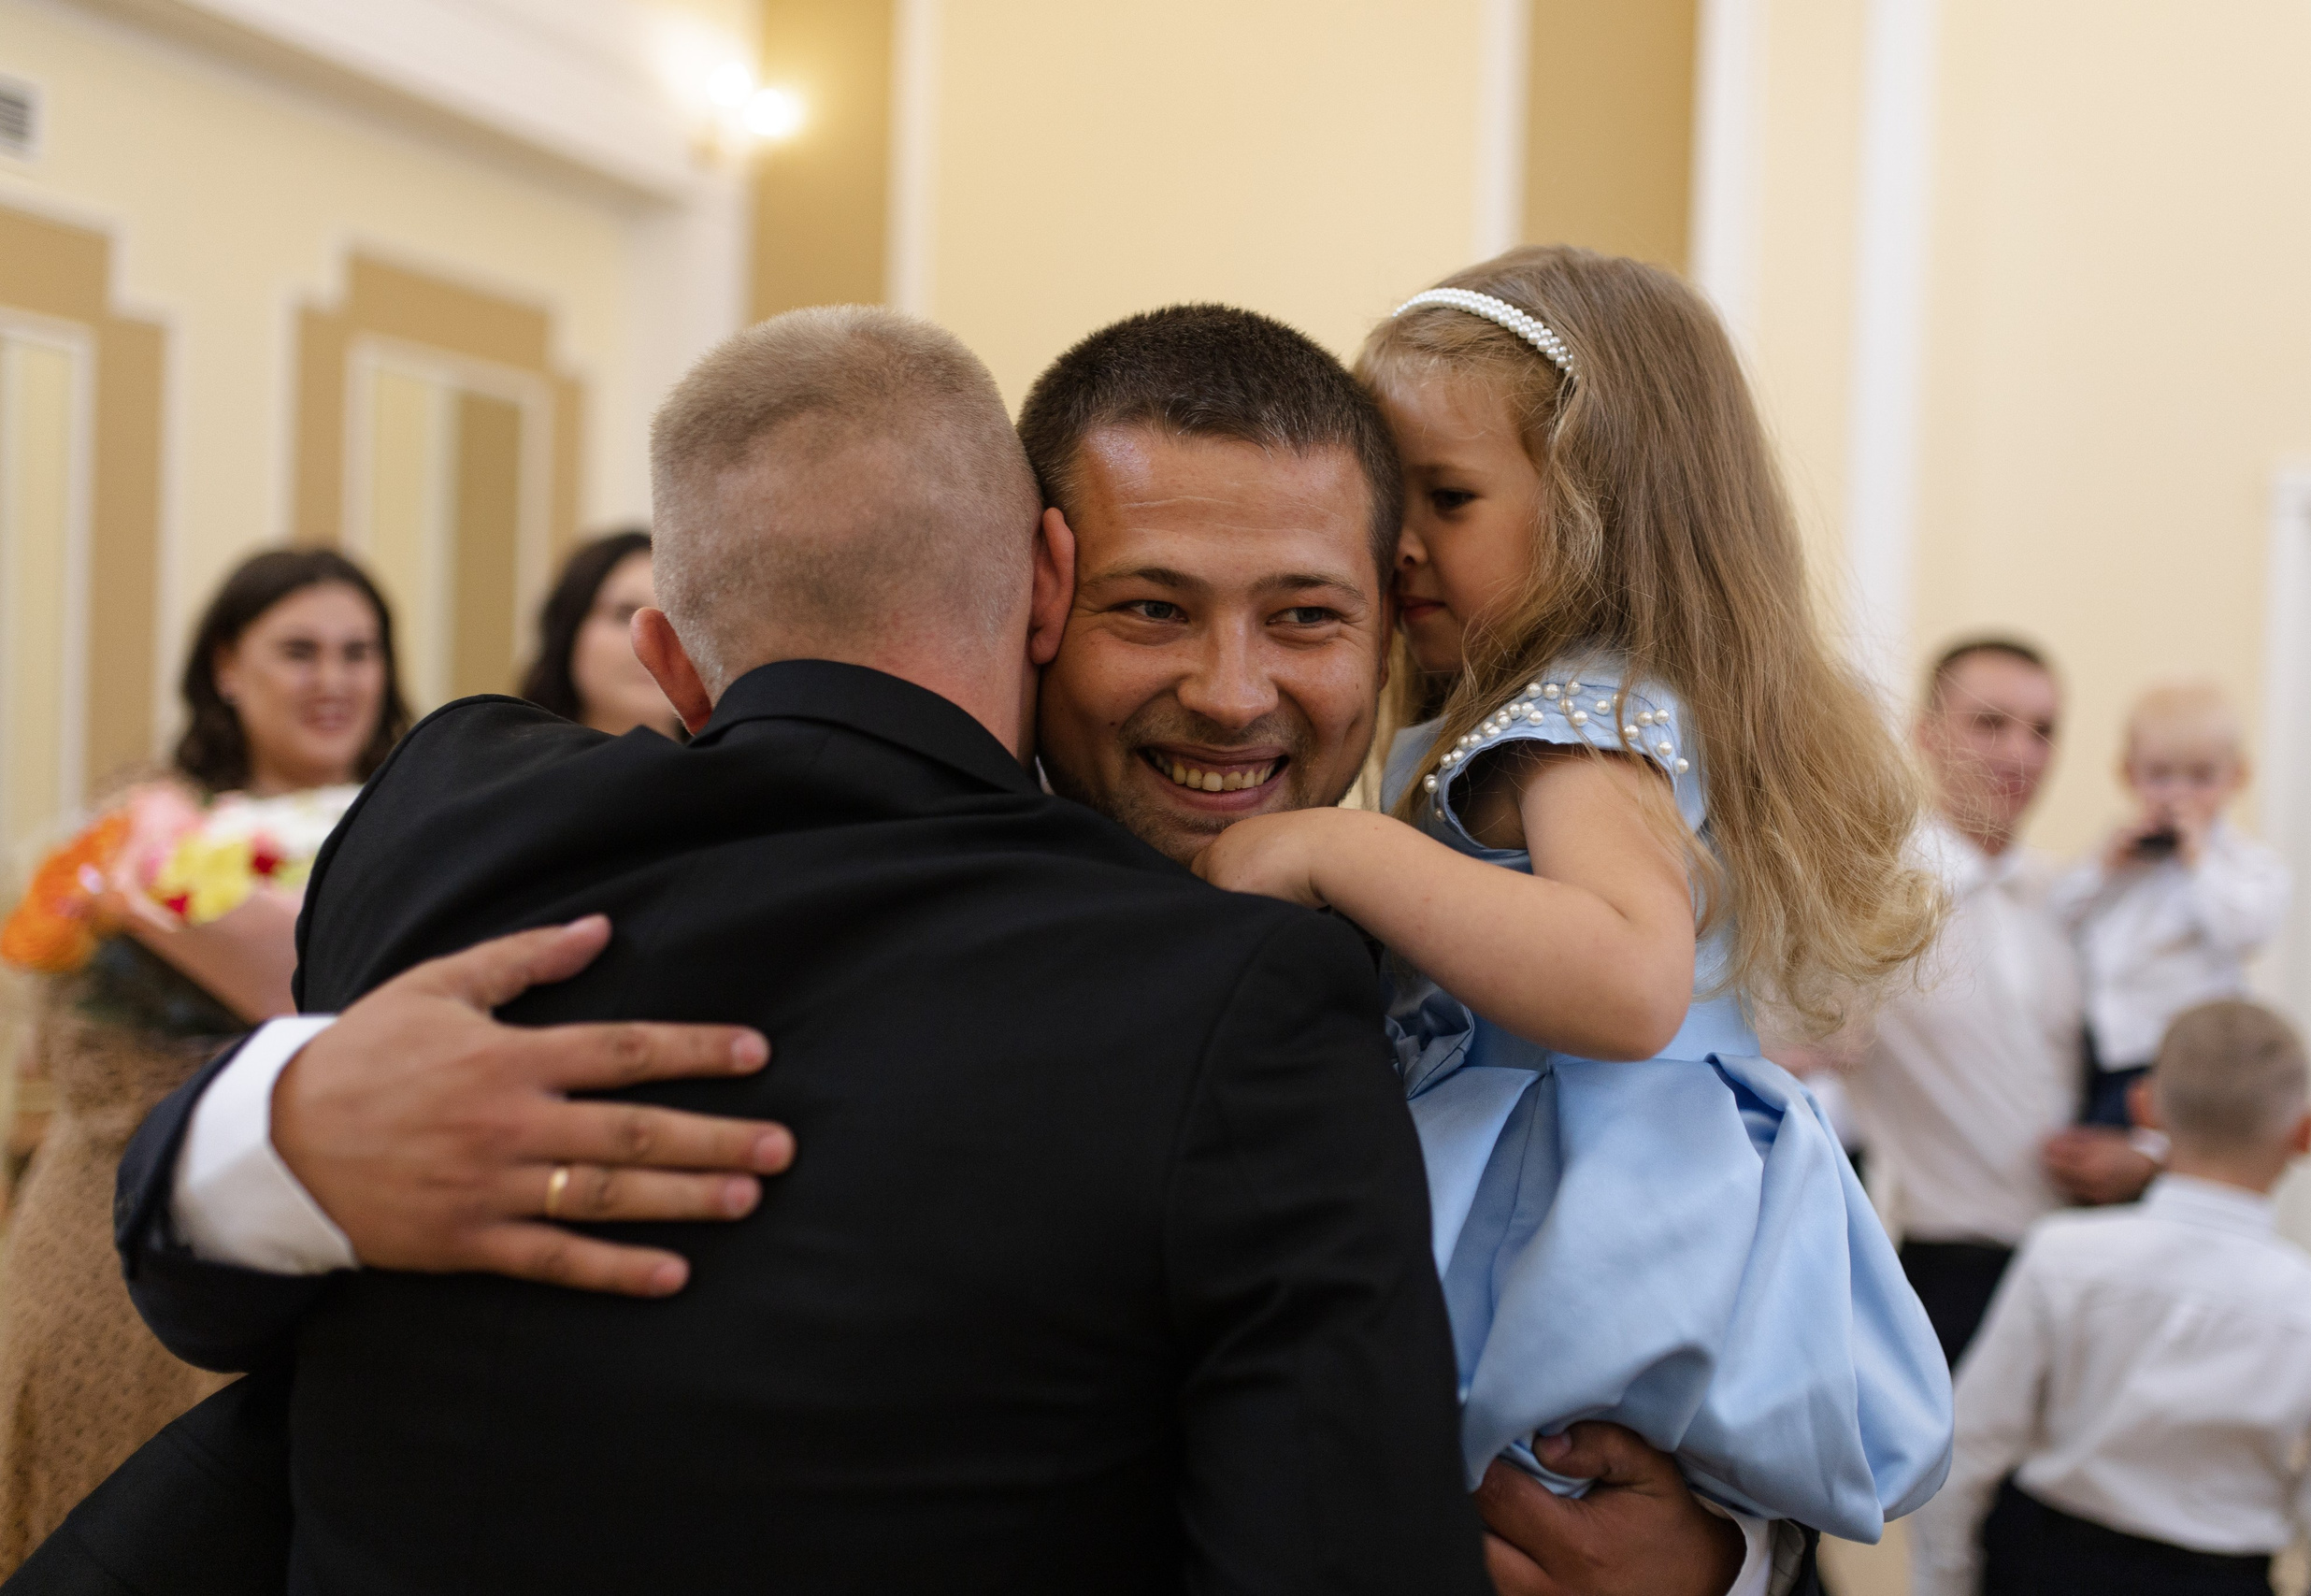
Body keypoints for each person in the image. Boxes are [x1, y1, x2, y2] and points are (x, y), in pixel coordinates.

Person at [82, 307, 1813, 1596]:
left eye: (1308, 615)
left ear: (1399, 633)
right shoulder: (1223, 1001)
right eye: (1153, 607)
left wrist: (1724, 1563)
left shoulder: (1494, 934)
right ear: (1041, 586)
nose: (1231, 691)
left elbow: (1747, 1304)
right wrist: (281, 1123)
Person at [1180, 251, 1951, 1545]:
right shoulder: (1565, 708)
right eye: (1392, 496)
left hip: (1594, 1192)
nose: (1403, 543)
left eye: (1452, 496)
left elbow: (1623, 976)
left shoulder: (1574, 724)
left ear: (1604, 511)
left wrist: (1337, 850)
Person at [0, 548, 406, 1573]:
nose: (334, 679)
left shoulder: (409, 820)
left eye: (359, 653)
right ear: (227, 665)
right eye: (299, 651)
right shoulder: (146, 817)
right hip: (109, 1237)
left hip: (309, 1248)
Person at [1910, 1001, 2311, 1596]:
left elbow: (1966, 1451)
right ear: (2306, 1132)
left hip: (2042, 1569)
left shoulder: (2063, 1257)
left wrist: (1949, 1582)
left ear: (2144, 1108)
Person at [1838, 640, 2085, 1369]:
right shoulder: (1871, 899)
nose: (2021, 753)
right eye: (1990, 723)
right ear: (1927, 733)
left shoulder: (2067, 900)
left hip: (2065, 1261)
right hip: (1936, 1269)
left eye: (2043, 730)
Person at [2050, 681, 2288, 1129]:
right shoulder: (2124, 856)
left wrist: (2200, 859)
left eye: (2200, 777)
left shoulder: (2244, 864)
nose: (2178, 794)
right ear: (2128, 773)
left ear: (2237, 777)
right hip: (2108, 1053)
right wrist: (2106, 866)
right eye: (2160, 775)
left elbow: (2243, 932)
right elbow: (2060, 914)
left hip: (2192, 1063)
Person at [517, 528, 683, 737]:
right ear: (569, 628)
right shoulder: (501, 764)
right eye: (624, 615)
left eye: (678, 619)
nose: (655, 640)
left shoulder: (732, 769)